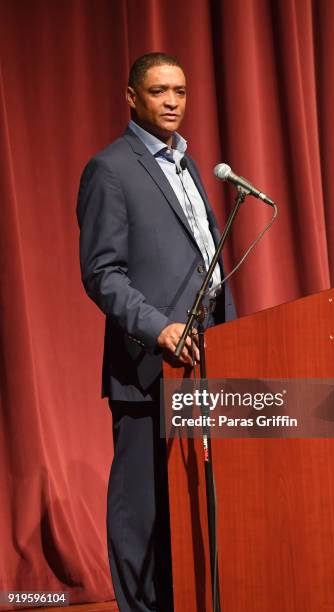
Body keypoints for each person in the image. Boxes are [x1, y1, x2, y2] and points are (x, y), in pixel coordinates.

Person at [76, 52, 235, 612]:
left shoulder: (189, 166)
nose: (172, 102)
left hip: (205, 358)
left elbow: (201, 259)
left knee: (189, 505)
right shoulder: (110, 169)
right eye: (160, 91)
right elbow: (102, 273)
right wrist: (157, 327)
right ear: (132, 97)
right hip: (149, 363)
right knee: (141, 508)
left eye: (181, 92)